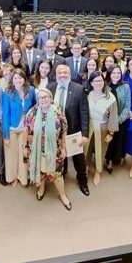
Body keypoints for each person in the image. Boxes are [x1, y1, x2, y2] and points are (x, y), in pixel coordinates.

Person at [24, 87, 71, 210]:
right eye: (40, 97)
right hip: (36, 150)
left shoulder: (58, 112)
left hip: (54, 151)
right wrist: (25, 146)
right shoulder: (32, 112)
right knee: (40, 172)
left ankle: (62, 195)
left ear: (50, 98)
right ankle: (41, 188)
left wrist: (64, 147)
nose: (43, 99)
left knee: (57, 175)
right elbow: (26, 129)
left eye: (45, 97)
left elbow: (64, 131)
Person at [48, 64, 90, 196]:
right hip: (56, 132)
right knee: (60, 156)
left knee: (78, 159)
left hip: (74, 131)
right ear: (55, 75)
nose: (62, 75)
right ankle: (63, 173)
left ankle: (82, 181)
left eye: (65, 73)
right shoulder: (50, 88)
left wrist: (85, 134)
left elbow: (84, 113)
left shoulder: (79, 89)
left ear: (70, 75)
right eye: (59, 73)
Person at [2, 69, 37, 186]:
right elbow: (5, 115)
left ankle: (23, 178)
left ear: (24, 78)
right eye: (15, 78)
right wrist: (6, 135)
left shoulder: (31, 90)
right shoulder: (7, 93)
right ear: (12, 80)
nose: (18, 80)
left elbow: (35, 108)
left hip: (25, 128)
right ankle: (12, 177)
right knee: (11, 154)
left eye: (20, 78)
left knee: (23, 153)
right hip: (12, 128)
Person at [86, 71, 118, 186]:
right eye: (95, 81)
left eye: (100, 80)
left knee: (100, 151)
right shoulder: (87, 95)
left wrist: (111, 133)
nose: (98, 83)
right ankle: (86, 166)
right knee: (86, 148)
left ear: (103, 82)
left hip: (103, 128)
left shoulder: (110, 97)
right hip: (89, 127)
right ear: (91, 83)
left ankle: (98, 171)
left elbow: (113, 116)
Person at [104, 65, 131, 172]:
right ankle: (108, 160)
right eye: (113, 73)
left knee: (118, 141)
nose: (116, 75)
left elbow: (127, 105)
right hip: (108, 120)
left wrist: (119, 119)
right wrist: (110, 120)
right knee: (109, 142)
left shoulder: (125, 86)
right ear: (109, 74)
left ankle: (116, 158)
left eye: (118, 73)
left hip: (121, 119)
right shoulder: (105, 86)